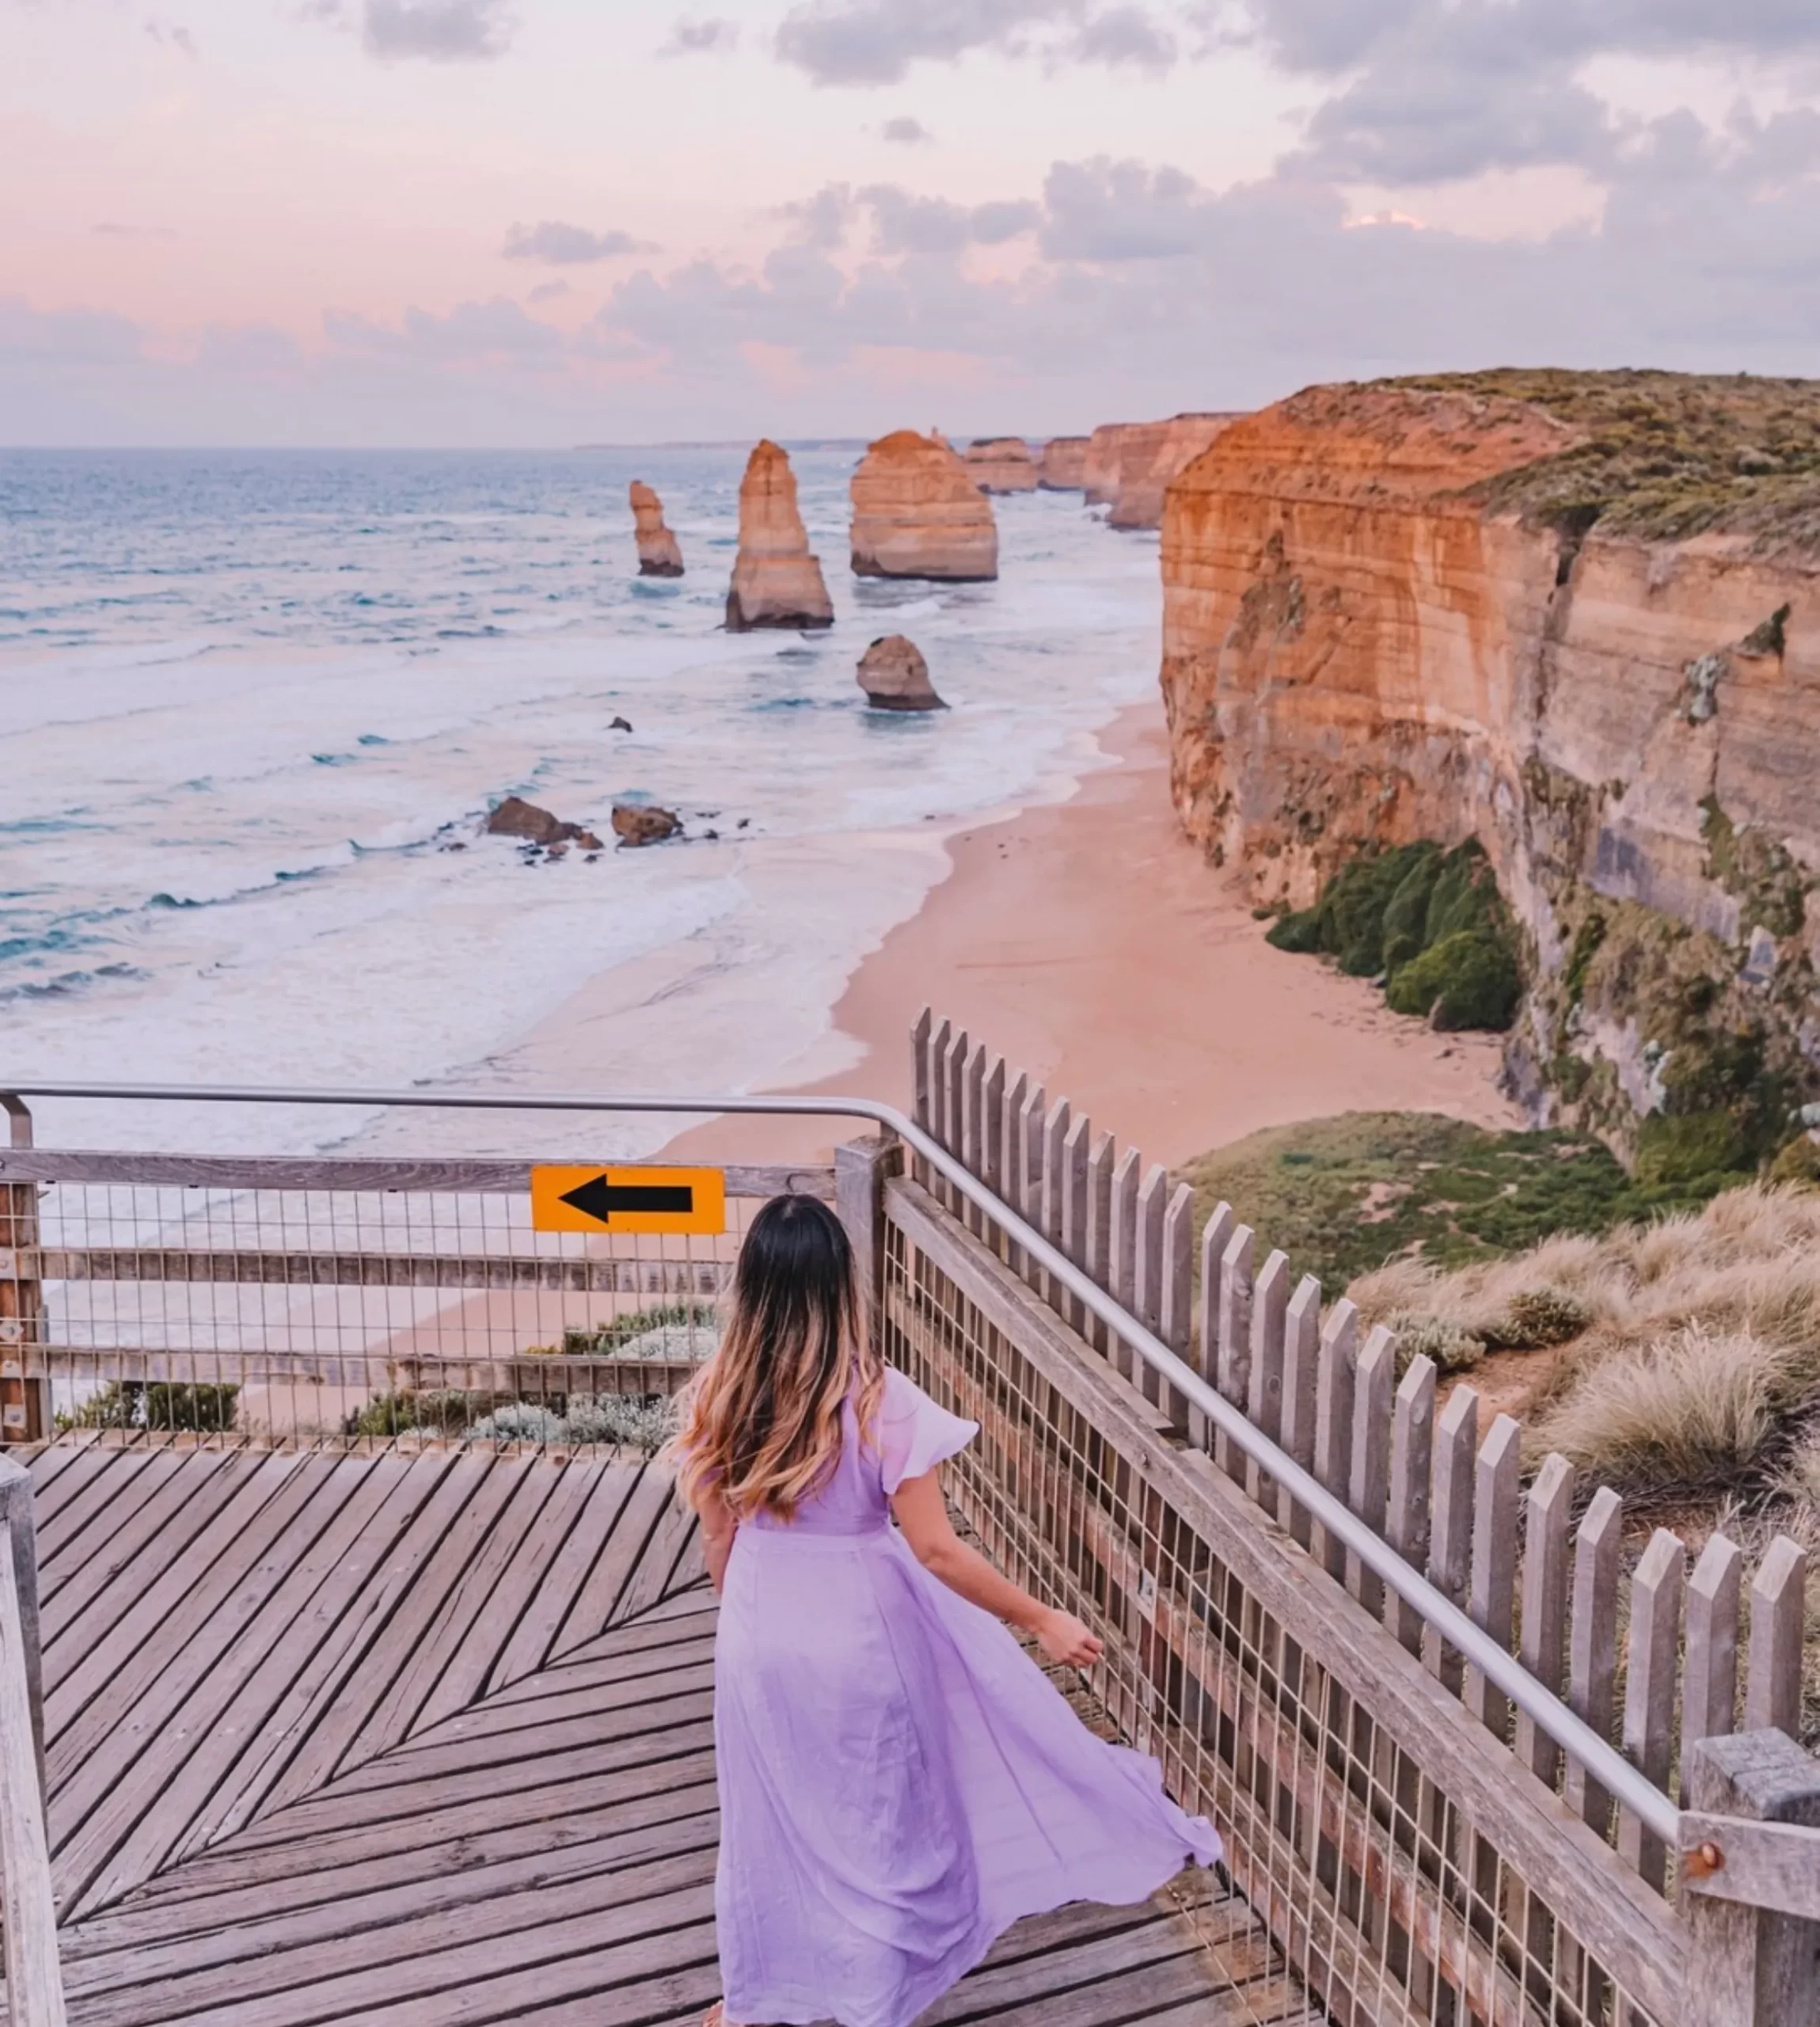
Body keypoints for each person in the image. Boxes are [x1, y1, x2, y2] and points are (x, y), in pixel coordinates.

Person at [669, 1192, 1220, 2027]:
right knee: (879, 1816)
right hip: (859, 1633)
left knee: (773, 1821)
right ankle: (869, 1994)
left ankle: (752, 2000)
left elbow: (718, 1539)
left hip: (758, 1633)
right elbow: (936, 1551)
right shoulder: (876, 1399)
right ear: (839, 1287)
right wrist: (1040, 1617)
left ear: (750, 1287)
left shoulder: (716, 1393)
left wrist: (752, 1617)